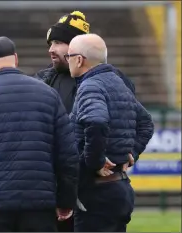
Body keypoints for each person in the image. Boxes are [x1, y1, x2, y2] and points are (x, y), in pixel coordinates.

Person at [0, 36, 79, 232]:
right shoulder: (48, 95)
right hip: (39, 207)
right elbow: (67, 156)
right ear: (15, 59)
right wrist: (65, 201)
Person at [66, 33, 154, 232]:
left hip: (97, 193)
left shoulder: (90, 85)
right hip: (119, 189)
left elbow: (96, 121)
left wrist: (94, 162)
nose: (68, 61)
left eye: (69, 56)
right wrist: (133, 152)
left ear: (79, 60)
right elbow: (146, 123)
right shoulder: (118, 83)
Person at [34, 11, 90, 115]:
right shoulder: (42, 80)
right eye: (51, 44)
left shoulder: (100, 81)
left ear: (76, 46)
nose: (51, 49)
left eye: (58, 43)